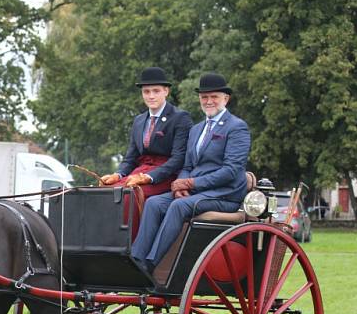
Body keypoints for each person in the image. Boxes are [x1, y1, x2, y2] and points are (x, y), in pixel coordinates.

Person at [131, 72, 250, 271]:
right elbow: (187, 166)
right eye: (205, 97)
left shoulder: (237, 127)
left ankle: (150, 265)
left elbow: (231, 171)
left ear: (225, 99)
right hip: (196, 192)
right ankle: (135, 258)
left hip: (224, 194)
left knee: (179, 207)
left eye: (214, 97)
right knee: (153, 203)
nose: (209, 101)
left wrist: (191, 184)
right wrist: (179, 186)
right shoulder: (197, 129)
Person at [100, 67, 193, 198]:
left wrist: (149, 177)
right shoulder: (139, 120)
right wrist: (118, 174)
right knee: (105, 191)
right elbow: (131, 158)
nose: (151, 96)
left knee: (129, 195)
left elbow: (179, 159)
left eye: (156, 91)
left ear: (166, 91)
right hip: (139, 172)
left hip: (165, 176)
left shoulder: (180, 118)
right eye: (146, 91)